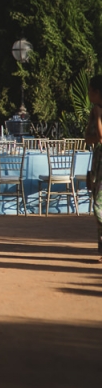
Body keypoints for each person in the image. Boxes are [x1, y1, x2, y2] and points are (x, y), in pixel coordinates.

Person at [84, 75, 102, 262]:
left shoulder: (97, 112)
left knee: (99, 205)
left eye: (90, 90)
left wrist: (98, 116)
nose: (88, 94)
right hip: (98, 162)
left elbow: (101, 136)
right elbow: (88, 139)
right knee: (97, 202)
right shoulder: (94, 111)